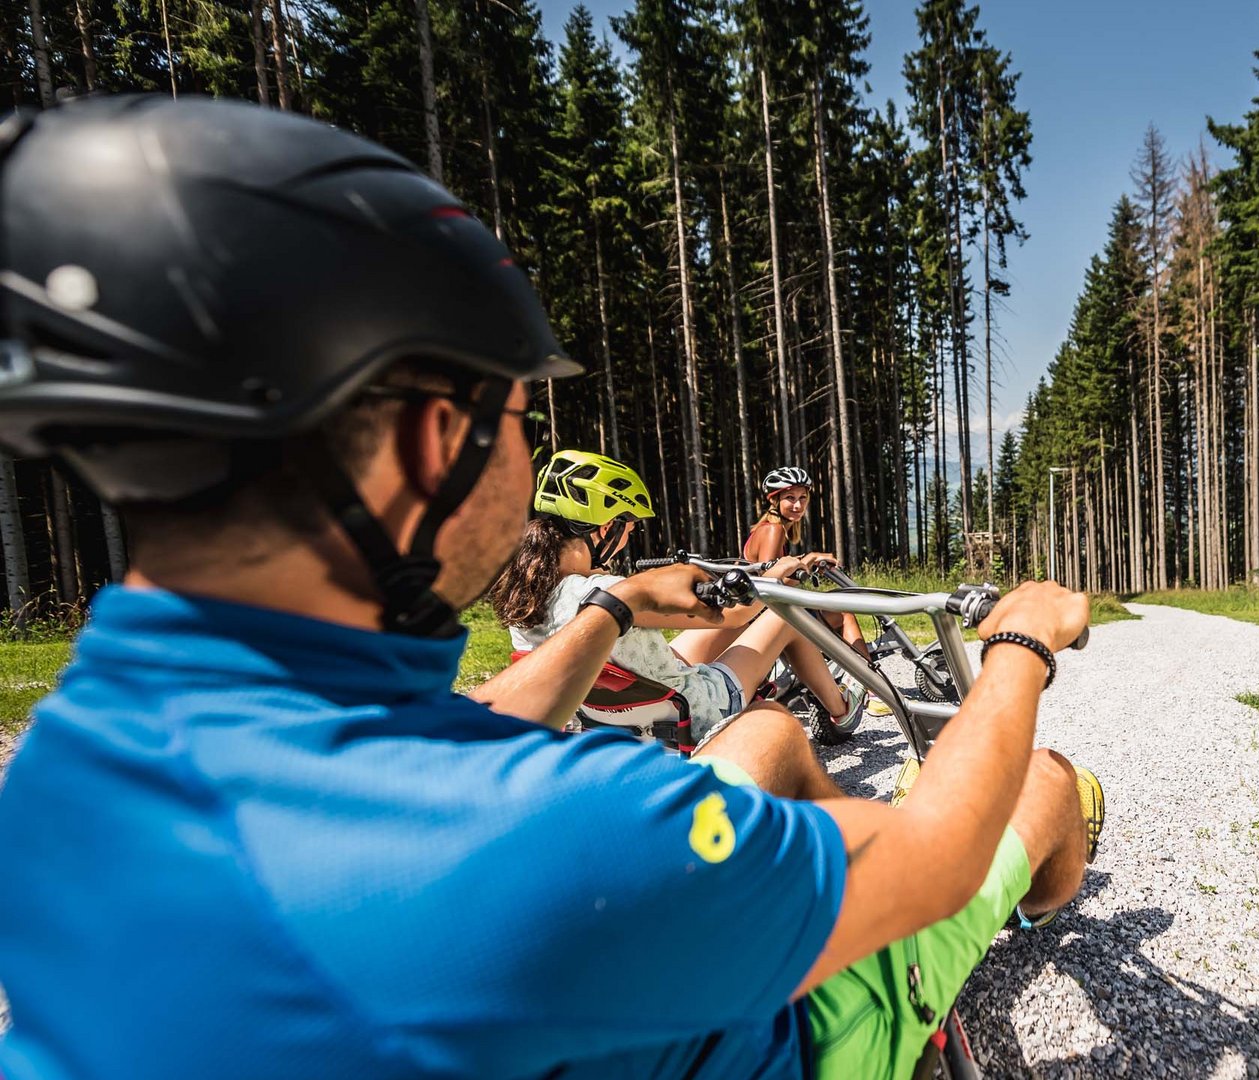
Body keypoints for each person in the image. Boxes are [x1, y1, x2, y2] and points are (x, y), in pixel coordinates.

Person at [0, 96, 1104, 1080]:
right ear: (443, 441)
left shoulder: (70, 770)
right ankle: (979, 938)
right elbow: (934, 859)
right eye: (523, 419)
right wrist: (1019, 649)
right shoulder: (551, 837)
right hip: (774, 1036)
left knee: (766, 748)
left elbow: (480, 716)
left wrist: (621, 607)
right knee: (1037, 785)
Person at [489, 448, 869, 742]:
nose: (625, 542)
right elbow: (736, 615)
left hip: (638, 701)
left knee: (729, 628)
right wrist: (781, 573)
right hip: (696, 709)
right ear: (605, 529)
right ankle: (841, 709)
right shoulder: (608, 597)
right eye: (628, 530)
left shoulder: (529, 595)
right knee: (783, 613)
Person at [746, 465, 873, 660]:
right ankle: (869, 683)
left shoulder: (770, 529)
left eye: (802, 498)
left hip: (772, 615)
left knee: (832, 606)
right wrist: (809, 559)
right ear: (774, 499)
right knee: (844, 613)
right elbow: (768, 586)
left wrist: (808, 561)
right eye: (790, 498)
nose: (797, 505)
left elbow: (775, 569)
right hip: (769, 619)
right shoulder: (773, 530)